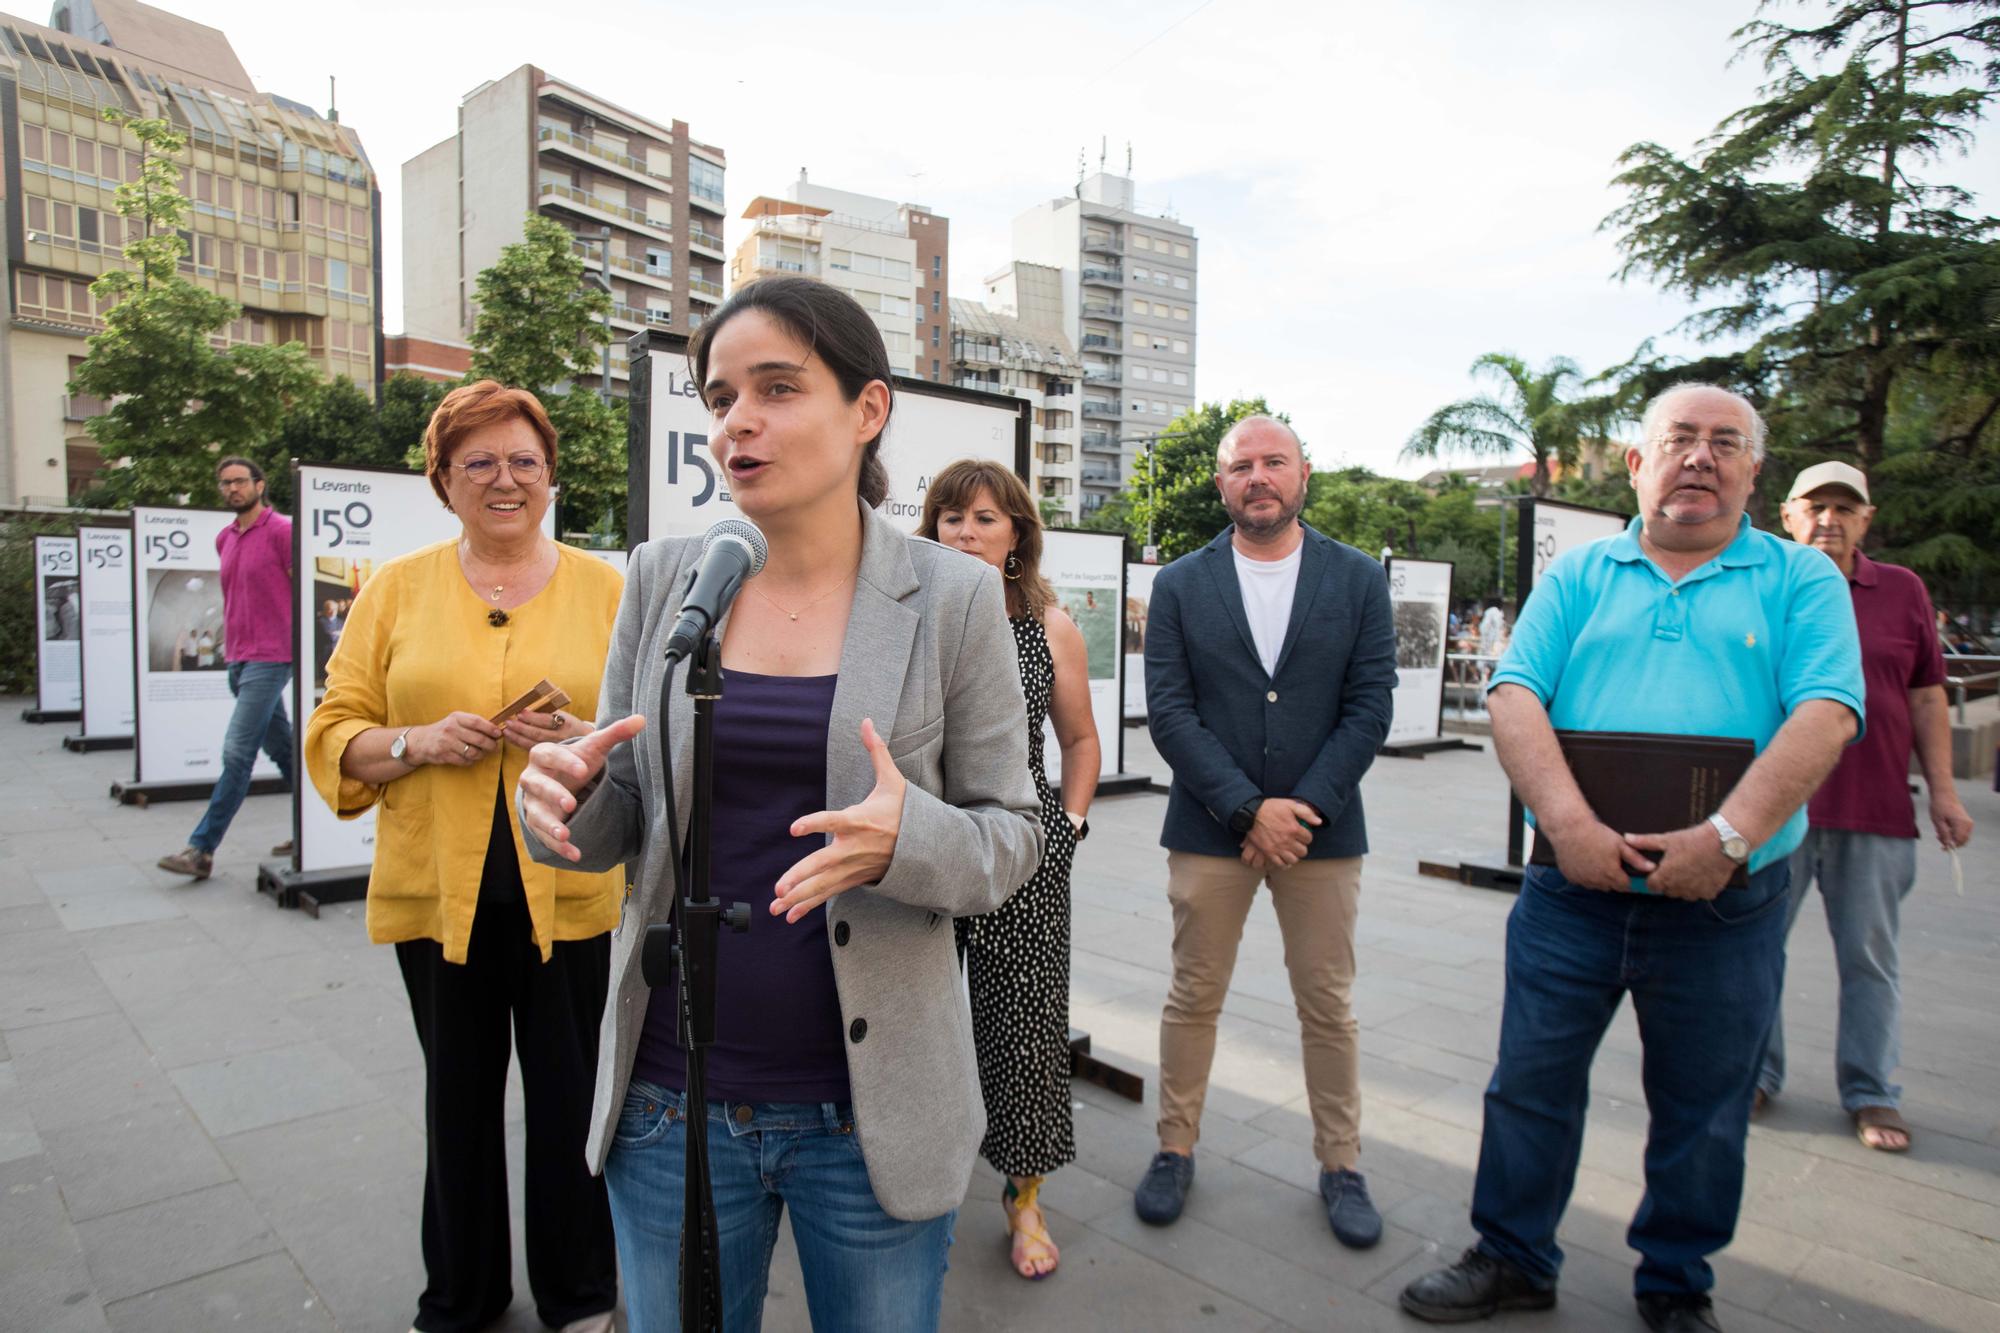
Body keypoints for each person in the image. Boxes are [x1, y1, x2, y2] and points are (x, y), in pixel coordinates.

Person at [516, 276, 1044, 1333]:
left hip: (871, 1110)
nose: (737, 423)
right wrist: (561, 804)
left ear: (866, 409)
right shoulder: (668, 576)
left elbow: (1015, 836)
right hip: (671, 1096)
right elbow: (624, 814)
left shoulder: (952, 597)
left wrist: (909, 837)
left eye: (775, 388)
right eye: (718, 398)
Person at [1399, 384, 1864, 1333]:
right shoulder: (1580, 577)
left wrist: (1725, 838)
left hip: (1725, 902)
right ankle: (1514, 1256)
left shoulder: (1799, 579)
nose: (1700, 457)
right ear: (1637, 464)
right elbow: (1516, 695)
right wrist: (1567, 827)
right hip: (1572, 891)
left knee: (1703, 1107)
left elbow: (1827, 713)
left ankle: (1675, 1282)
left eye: (1723, 443)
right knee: (1530, 1083)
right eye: (1679, 439)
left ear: (1753, 471)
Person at [303, 381, 625, 1333]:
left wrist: (584, 733)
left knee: (571, 1103)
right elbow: (335, 731)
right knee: (458, 1101)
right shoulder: (394, 588)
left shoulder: (608, 587)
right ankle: (464, 1295)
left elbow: (644, 737)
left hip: (566, 880)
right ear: (442, 479)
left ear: (550, 475)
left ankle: (580, 1293)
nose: (504, 478)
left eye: (524, 459)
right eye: (478, 461)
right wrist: (414, 742)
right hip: (439, 889)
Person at [1134, 415, 1398, 1250]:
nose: (1258, 476)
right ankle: (1174, 1147)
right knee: (1193, 994)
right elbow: (1170, 714)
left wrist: (1299, 811)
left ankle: (1342, 1162)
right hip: (1211, 830)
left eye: (1273, 461)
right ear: (1221, 484)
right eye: (1240, 464)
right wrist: (1249, 809)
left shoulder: (1357, 580)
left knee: (1327, 1004)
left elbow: (1370, 708)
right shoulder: (1180, 583)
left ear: (1303, 475)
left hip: (1324, 831)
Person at [918, 459, 1100, 1280]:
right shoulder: (906, 612)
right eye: (951, 516)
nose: (965, 531)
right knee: (907, 1020)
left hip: (1023, 851)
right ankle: (902, 1173)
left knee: (1024, 1031)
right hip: (918, 847)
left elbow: (1081, 741)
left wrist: (1069, 827)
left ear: (1017, 533)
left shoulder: (1049, 625)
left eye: (985, 518)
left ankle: (1024, 1195)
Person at [1758, 461, 1975, 1150]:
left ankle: (1872, 1091)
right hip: (1772, 807)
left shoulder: (1901, 589)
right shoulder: (1762, 582)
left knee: (1870, 958)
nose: (1829, 519)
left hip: (1875, 807)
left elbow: (1925, 694)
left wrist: (1942, 789)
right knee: (1754, 950)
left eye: (1844, 508)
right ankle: (1755, 1073)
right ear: (1788, 514)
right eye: (1815, 506)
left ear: (1866, 519)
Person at [158, 457, 296, 879]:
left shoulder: (282, 532)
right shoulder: (224, 539)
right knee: (284, 751)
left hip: (272, 657)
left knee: (237, 752)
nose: (232, 489)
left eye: (239, 481)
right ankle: (315, 826)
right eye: (225, 483)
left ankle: (201, 849)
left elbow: (302, 589)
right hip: (237, 658)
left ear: (259, 484)